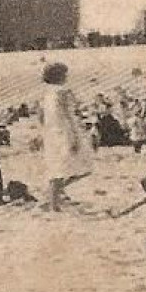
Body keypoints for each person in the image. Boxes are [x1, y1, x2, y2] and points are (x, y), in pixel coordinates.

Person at [38, 62, 92, 211]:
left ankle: (53, 200)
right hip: (64, 131)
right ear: (60, 76)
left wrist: (44, 132)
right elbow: (68, 116)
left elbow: (41, 116)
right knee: (82, 165)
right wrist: (73, 135)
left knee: (57, 168)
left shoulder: (46, 94)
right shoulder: (63, 92)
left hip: (51, 132)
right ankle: (53, 197)